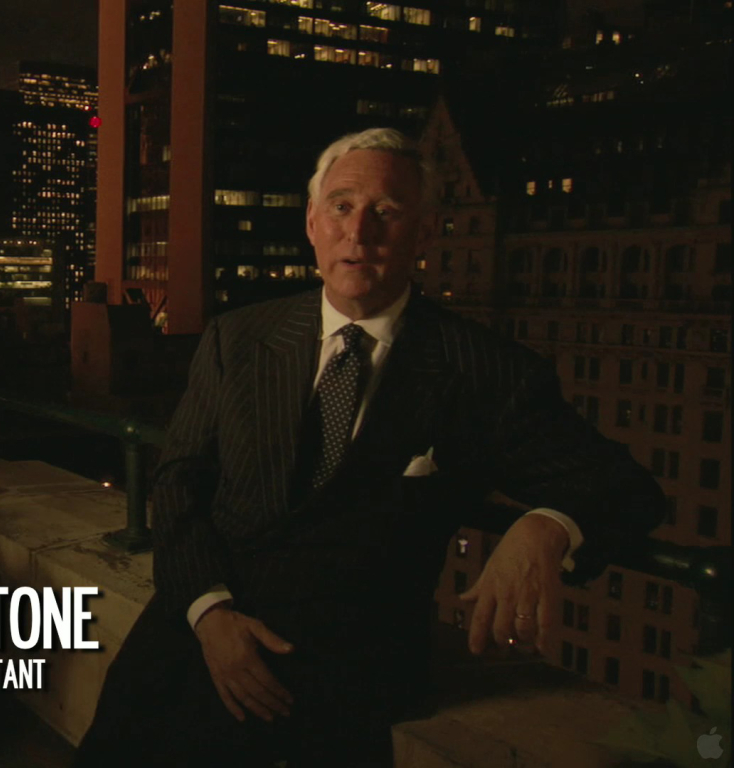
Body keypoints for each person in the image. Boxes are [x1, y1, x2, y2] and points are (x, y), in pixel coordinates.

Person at [74, 128, 665, 767]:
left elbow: (627, 489)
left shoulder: (485, 370)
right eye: (342, 206)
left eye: (386, 211)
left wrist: (545, 528)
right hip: (192, 636)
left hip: (341, 677)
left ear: (425, 232)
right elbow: (178, 481)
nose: (359, 231)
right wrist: (208, 612)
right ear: (312, 223)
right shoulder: (237, 337)